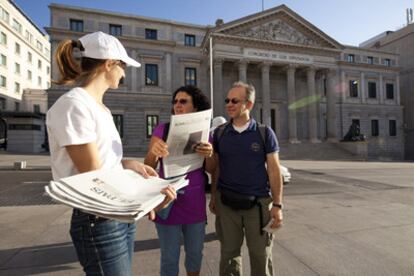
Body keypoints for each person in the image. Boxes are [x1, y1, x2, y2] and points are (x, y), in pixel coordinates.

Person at [46, 31, 176, 276]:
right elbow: (95, 176)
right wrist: (144, 198)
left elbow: (104, 161)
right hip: (98, 219)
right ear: (109, 64)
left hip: (114, 217)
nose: (125, 73)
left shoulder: (100, 109)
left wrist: (129, 165)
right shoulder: (74, 105)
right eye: (123, 66)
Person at [209, 81, 283, 276]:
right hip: (227, 204)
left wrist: (277, 205)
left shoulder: (265, 133)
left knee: (260, 256)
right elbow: (215, 169)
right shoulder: (220, 133)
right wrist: (213, 196)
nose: (229, 104)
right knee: (229, 256)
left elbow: (274, 171)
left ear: (248, 104)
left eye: (235, 100)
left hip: (258, 206)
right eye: (227, 100)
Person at [144, 85, 215, 276]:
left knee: (194, 255)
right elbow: (148, 167)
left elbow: (211, 169)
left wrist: (209, 154)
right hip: (168, 202)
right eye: (175, 101)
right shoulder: (162, 129)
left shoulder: (205, 134)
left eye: (183, 101)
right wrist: (154, 152)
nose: (177, 105)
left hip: (194, 204)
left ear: (195, 107)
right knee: (169, 257)